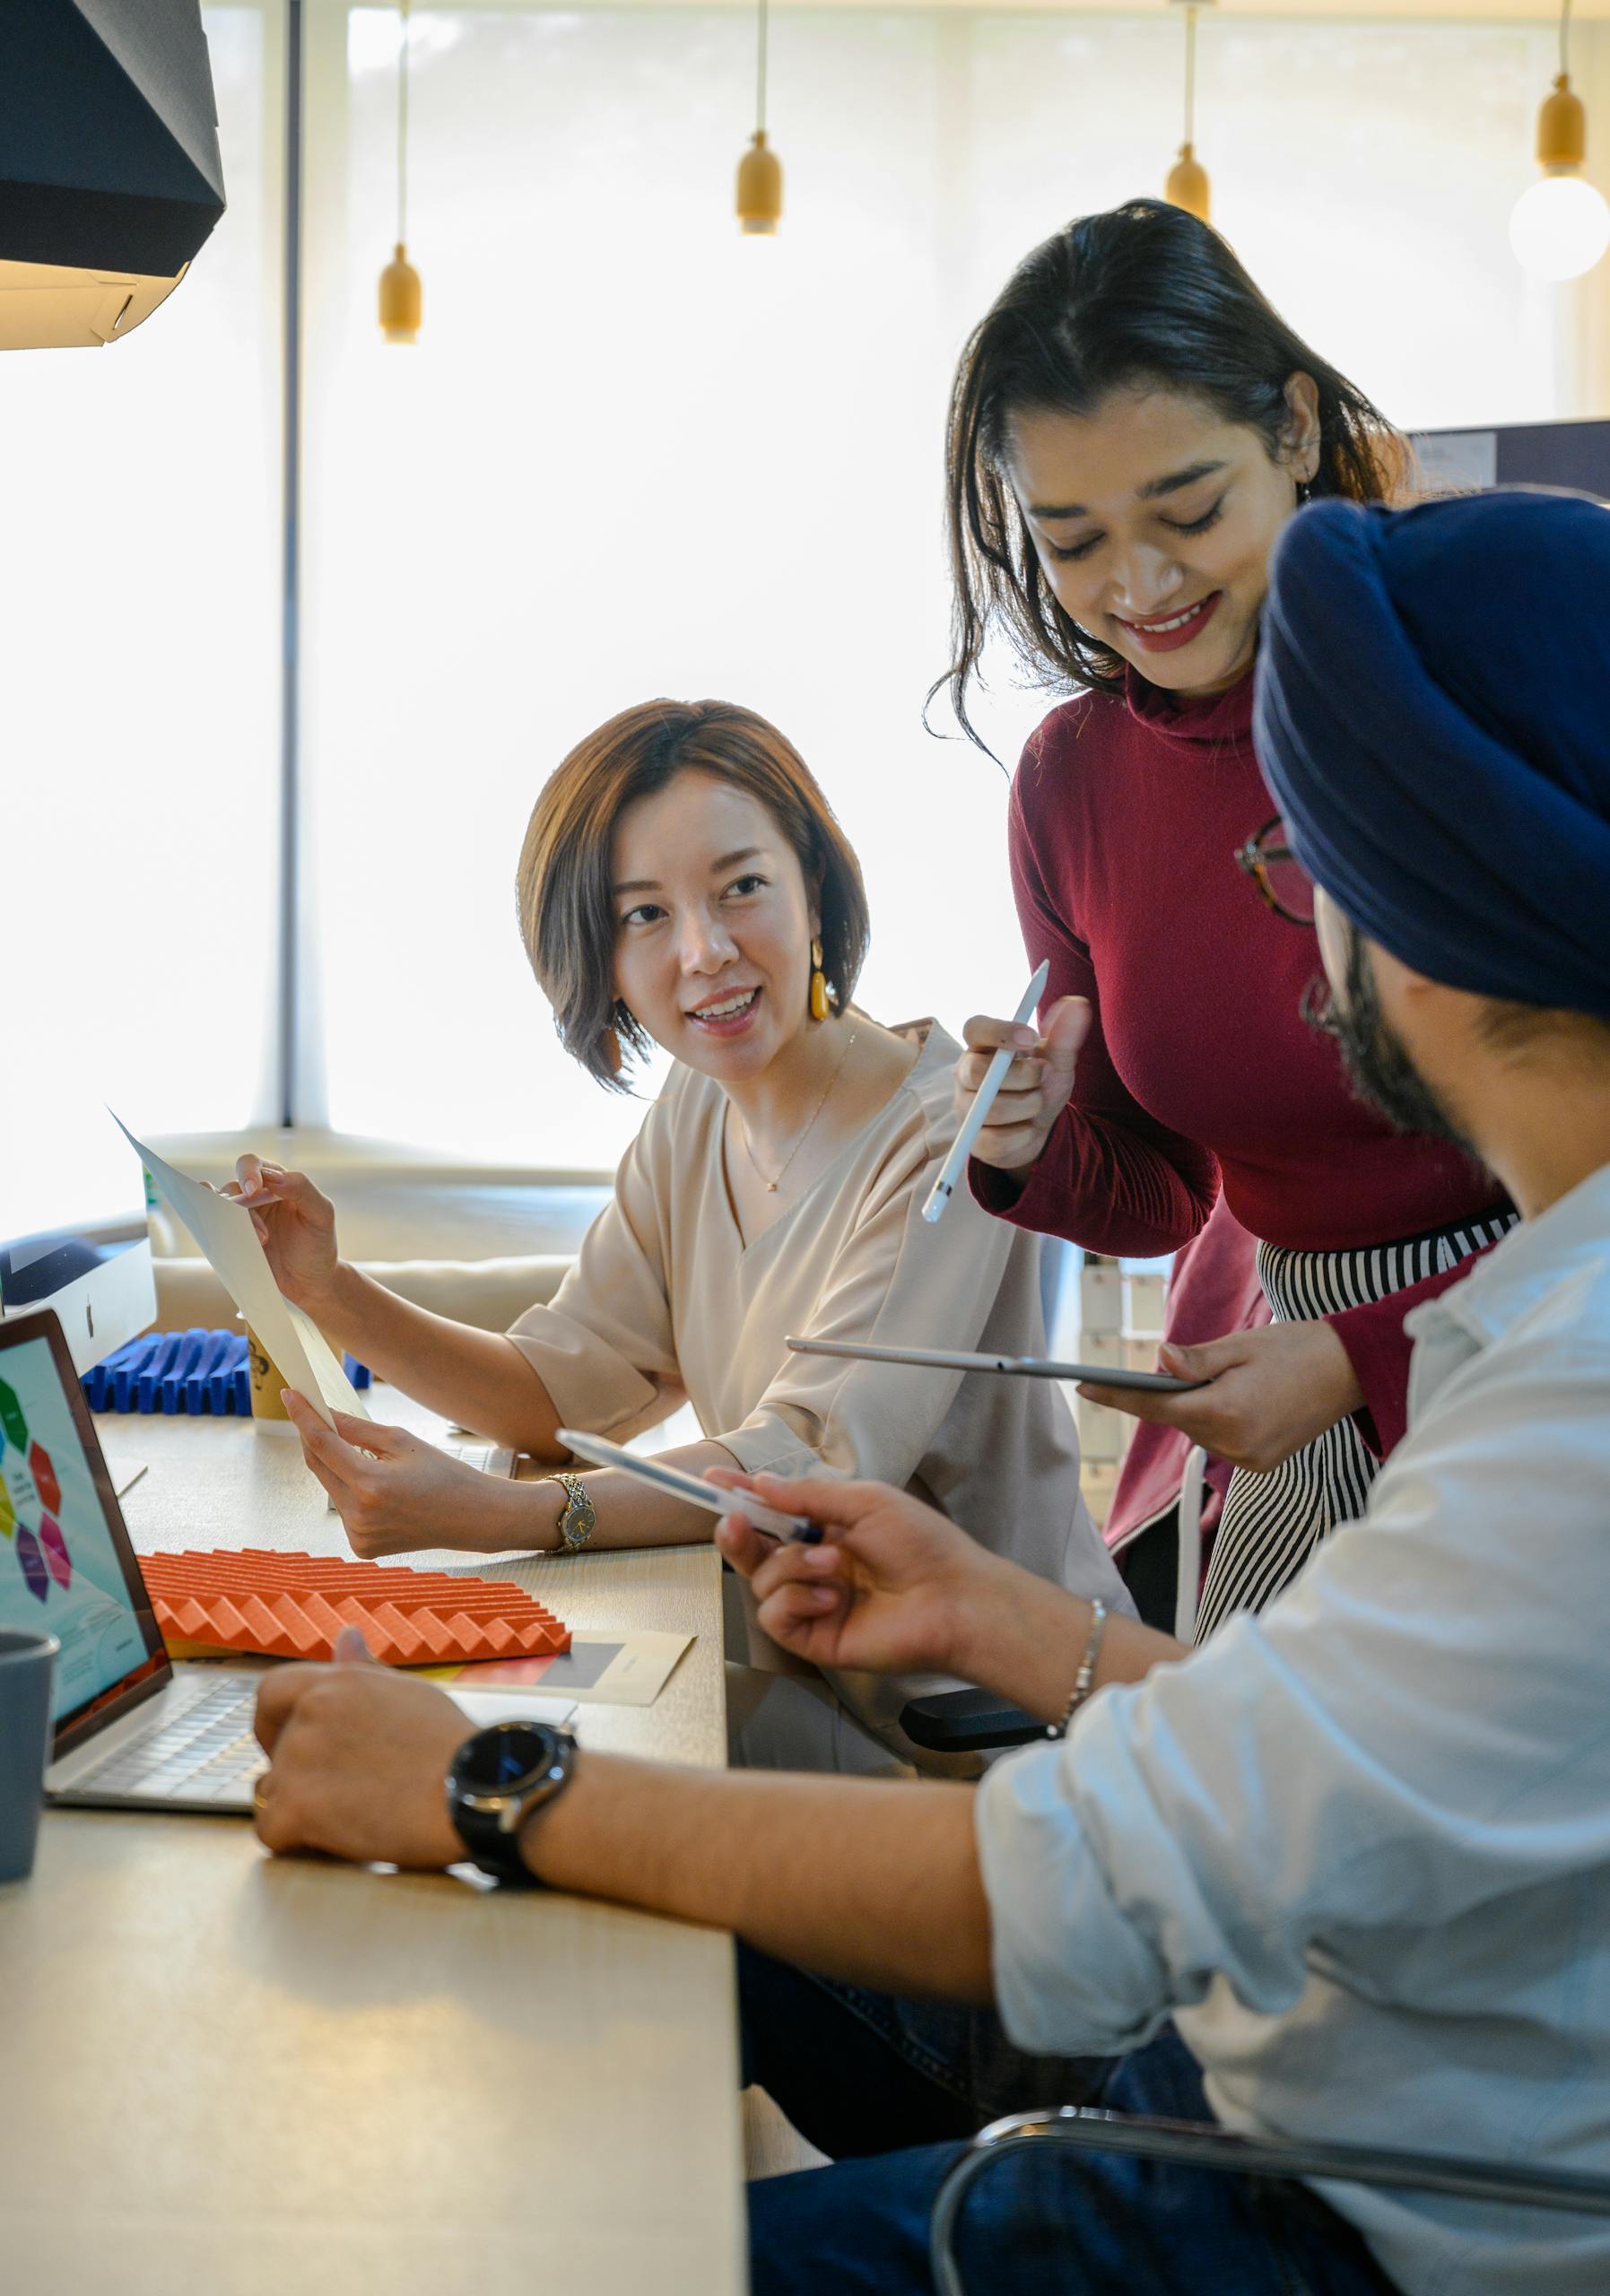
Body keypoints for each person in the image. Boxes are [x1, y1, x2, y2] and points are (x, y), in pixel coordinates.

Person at [248, 488, 1610, 2296]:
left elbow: (1089, 1876)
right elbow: (1352, 1748)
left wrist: (490, 1781)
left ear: (1425, 912)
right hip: (1231, 2078)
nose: (1284, 920)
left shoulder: (1560, 1408)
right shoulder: (1530, 1330)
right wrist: (1012, 1611)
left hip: (1289, 2186)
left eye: (1302, 862)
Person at [237, 698, 1128, 1770]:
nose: (704, 952)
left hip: (980, 1731)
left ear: (815, 887)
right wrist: (331, 1290)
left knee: (526, 1746)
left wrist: (492, 1513)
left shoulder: (950, 1128)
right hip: (803, 1679)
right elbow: (566, 1387)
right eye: (644, 914)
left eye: (740, 887)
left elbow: (813, 1456)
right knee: (483, 1704)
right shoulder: (696, 1107)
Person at [942, 200, 1512, 1632]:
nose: (1135, 587)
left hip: (1540, 1354)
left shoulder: (1478, 670)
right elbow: (1164, 1191)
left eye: (1186, 513)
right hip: (1276, 1376)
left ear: (1294, 428)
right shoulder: (1074, 779)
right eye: (1070, 541)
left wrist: (1363, 1350)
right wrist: (1024, 1148)